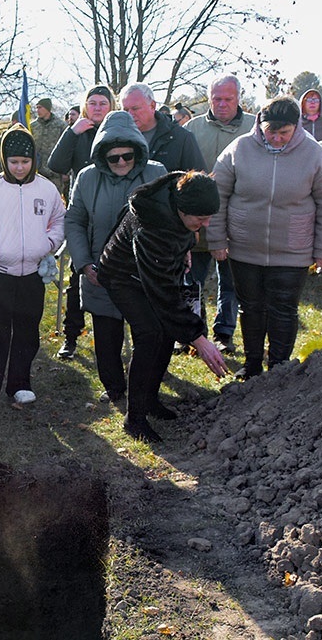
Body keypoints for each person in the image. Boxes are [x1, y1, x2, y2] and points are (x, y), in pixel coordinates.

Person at [207, 96, 322, 380]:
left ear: (297, 127)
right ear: (259, 124)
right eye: (271, 131)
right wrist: (217, 240)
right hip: (245, 247)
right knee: (251, 307)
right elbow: (217, 196)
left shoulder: (314, 154)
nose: (277, 138)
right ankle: (252, 363)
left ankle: (279, 367)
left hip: (293, 250)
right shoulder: (239, 149)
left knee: (284, 309)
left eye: (284, 133)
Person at [96, 171, 228, 443]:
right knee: (150, 334)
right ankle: (135, 419)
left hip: (149, 269)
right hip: (122, 275)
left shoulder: (179, 191)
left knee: (166, 332)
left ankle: (150, 400)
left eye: (209, 217)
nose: (206, 224)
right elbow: (164, 293)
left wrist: (184, 249)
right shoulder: (152, 226)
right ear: (181, 209)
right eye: (200, 219)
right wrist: (198, 338)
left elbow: (179, 239)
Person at [65, 111, 166, 404]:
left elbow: (172, 217)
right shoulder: (87, 178)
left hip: (145, 271)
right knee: (106, 338)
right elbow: (75, 221)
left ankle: (146, 391)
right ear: (102, 155)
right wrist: (83, 263)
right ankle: (114, 387)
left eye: (128, 155)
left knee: (148, 335)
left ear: (138, 150)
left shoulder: (156, 174)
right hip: (101, 270)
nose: (121, 162)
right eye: (114, 157)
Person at [0, 127, 65, 407]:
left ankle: (20, 383)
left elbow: (59, 219)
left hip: (33, 272)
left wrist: (49, 242)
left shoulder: (46, 188)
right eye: (14, 162)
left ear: (34, 159)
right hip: (1, 271)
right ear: (4, 161)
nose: (20, 167)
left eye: (25, 161)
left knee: (27, 328)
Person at [185, 74, 254, 355]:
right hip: (196, 220)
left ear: (239, 98)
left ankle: (224, 332)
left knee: (231, 280)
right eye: (216, 99)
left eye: (228, 99)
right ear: (209, 97)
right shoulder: (192, 129)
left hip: (237, 217)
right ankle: (193, 332)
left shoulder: (253, 127)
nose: (222, 104)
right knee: (193, 279)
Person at [48, 83, 114, 359]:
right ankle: (71, 336)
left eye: (103, 103)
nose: (97, 108)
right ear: (85, 106)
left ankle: (114, 338)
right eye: (93, 103)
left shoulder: (117, 132)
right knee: (77, 278)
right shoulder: (78, 132)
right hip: (82, 217)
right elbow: (57, 165)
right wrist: (71, 132)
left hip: (112, 216)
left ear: (111, 106)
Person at [118, 83, 205, 173]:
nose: (130, 114)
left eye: (135, 108)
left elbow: (198, 181)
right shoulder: (118, 139)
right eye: (126, 110)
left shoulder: (182, 138)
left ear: (152, 106)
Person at [29, 97, 66, 192]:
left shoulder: (61, 125)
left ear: (47, 108)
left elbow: (67, 149)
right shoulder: (32, 126)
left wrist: (66, 171)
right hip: (36, 172)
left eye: (40, 107)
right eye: (36, 107)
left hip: (54, 173)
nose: (37, 110)